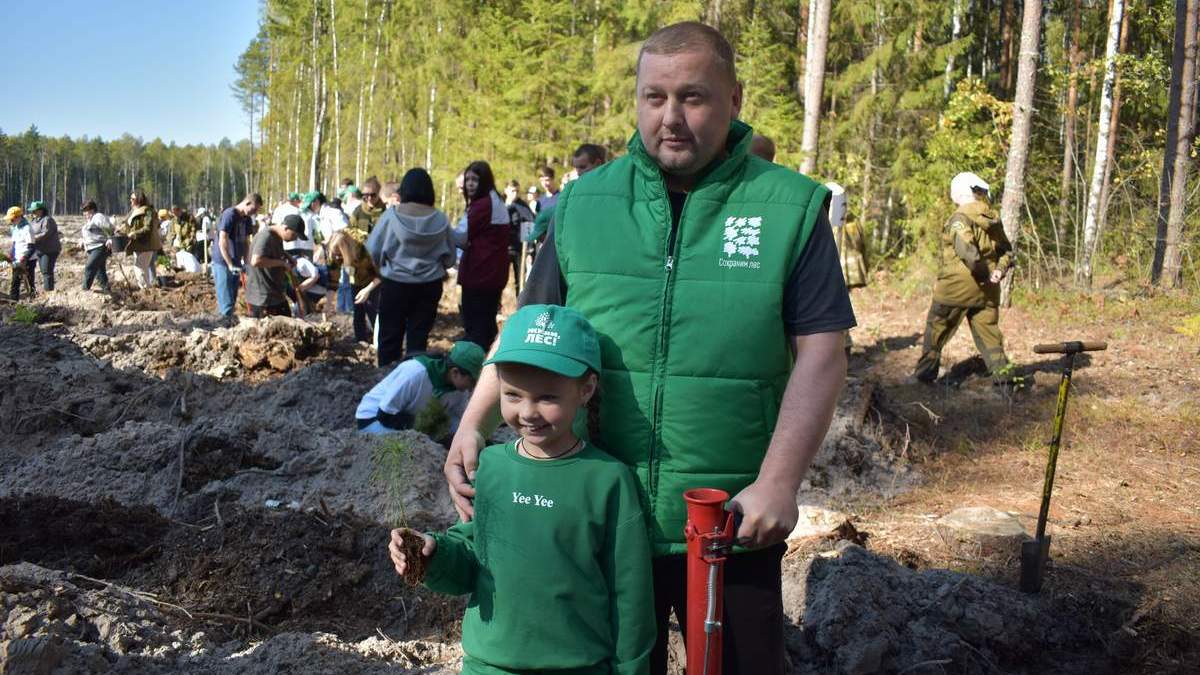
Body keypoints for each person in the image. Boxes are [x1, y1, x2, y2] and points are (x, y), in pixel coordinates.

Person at [446, 22, 854, 675]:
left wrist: (778, 482)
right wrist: (473, 421)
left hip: (729, 521)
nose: (671, 118)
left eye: (693, 97)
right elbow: (528, 328)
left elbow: (824, 351)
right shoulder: (583, 205)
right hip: (597, 513)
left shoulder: (790, 208)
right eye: (654, 97)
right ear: (635, 99)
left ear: (734, 99)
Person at [390, 305, 654, 674]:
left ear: (586, 389)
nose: (527, 412)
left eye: (547, 397)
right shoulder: (492, 466)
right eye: (513, 395)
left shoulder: (608, 480)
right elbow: (472, 555)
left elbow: (631, 596)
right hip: (489, 666)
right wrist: (434, 554)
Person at [913, 171, 1014, 385]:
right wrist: (998, 272)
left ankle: (923, 378)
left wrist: (984, 275)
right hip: (988, 290)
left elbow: (967, 252)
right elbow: (1007, 251)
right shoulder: (992, 217)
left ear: (959, 192)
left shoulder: (960, 218)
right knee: (990, 335)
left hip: (957, 288)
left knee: (937, 328)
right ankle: (1005, 379)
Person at [366, 168, 456, 367]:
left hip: (395, 284)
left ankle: (387, 380)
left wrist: (383, 265)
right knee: (418, 339)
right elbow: (450, 259)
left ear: (404, 189)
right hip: (429, 286)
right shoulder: (441, 219)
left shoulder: (391, 216)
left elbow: (373, 248)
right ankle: (413, 382)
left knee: (389, 337)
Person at [356, 340, 484, 434]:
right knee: (412, 448)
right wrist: (421, 428)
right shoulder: (416, 373)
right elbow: (385, 415)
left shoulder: (460, 387)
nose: (472, 388)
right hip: (374, 418)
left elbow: (459, 419)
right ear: (455, 372)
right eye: (472, 382)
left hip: (408, 417)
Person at [458, 160, 511, 350]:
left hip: (480, 274)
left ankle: (475, 369)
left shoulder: (483, 205)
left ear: (485, 181)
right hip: (491, 274)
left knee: (476, 327)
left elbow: (462, 238)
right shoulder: (494, 200)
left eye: (475, 179)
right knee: (486, 325)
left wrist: (440, 231)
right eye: (467, 179)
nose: (470, 184)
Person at [527, 145, 607, 245]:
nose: (578, 173)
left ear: (598, 163)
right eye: (576, 168)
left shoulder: (611, 191)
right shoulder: (572, 193)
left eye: (583, 167)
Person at [211, 193, 263, 318]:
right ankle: (224, 327)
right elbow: (222, 240)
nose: (254, 212)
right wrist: (229, 263)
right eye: (254, 209)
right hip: (222, 262)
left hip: (236, 262)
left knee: (232, 299)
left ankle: (227, 322)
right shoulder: (230, 214)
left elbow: (246, 242)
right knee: (226, 301)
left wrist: (246, 261)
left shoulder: (246, 219)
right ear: (247, 203)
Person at [245, 213, 305, 318]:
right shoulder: (265, 237)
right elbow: (256, 260)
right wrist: (282, 263)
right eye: (294, 235)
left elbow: (273, 252)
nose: (295, 239)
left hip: (274, 294)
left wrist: (288, 256)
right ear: (286, 228)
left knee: (287, 323)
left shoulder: (276, 236)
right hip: (263, 298)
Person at [328, 228, 380, 343]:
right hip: (356, 279)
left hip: (373, 280)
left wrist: (367, 290)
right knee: (358, 312)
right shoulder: (335, 252)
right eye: (335, 255)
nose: (337, 258)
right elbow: (333, 278)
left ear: (346, 250)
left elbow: (382, 274)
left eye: (339, 255)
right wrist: (328, 304)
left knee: (373, 310)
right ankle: (361, 341)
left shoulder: (366, 249)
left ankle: (379, 343)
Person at [123, 192, 161, 289]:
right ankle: (146, 289)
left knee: (139, 269)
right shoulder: (132, 211)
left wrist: (135, 233)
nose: (130, 201)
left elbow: (148, 228)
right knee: (141, 269)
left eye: (133, 199)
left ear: (139, 199)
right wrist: (121, 229)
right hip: (137, 244)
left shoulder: (148, 211)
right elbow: (128, 225)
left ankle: (146, 291)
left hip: (146, 244)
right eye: (130, 198)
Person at [25, 201, 61, 293]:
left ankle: (49, 292)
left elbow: (45, 233)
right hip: (40, 250)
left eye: (34, 211)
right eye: (32, 211)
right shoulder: (33, 221)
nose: (32, 213)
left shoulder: (47, 220)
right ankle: (48, 289)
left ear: (41, 210)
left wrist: (32, 238)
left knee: (46, 270)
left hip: (50, 250)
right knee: (43, 270)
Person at [4, 207, 36, 301]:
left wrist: (24, 259)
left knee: (29, 283)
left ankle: (33, 302)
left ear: (18, 217)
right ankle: (13, 303)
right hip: (17, 260)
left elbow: (32, 247)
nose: (10, 221)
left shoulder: (27, 228)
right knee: (15, 282)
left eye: (12, 219)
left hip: (28, 260)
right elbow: (15, 244)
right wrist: (11, 255)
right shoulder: (15, 228)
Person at [80, 200, 112, 292]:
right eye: (84, 211)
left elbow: (109, 228)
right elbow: (91, 235)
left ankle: (85, 289)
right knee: (99, 270)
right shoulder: (89, 221)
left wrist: (110, 239)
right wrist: (83, 241)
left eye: (87, 210)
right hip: (92, 248)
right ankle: (106, 289)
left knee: (89, 267)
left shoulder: (98, 217)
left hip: (100, 247)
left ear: (93, 209)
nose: (85, 213)